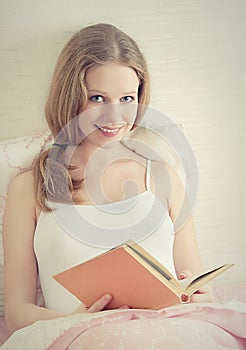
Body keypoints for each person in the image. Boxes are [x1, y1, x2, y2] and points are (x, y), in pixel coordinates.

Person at [3, 23, 213, 335]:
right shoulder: (29, 190)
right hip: (79, 335)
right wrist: (78, 321)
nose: (115, 117)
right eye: (98, 98)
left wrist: (195, 295)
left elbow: (192, 280)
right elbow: (17, 312)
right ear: (70, 98)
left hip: (167, 332)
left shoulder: (161, 175)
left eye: (127, 98)